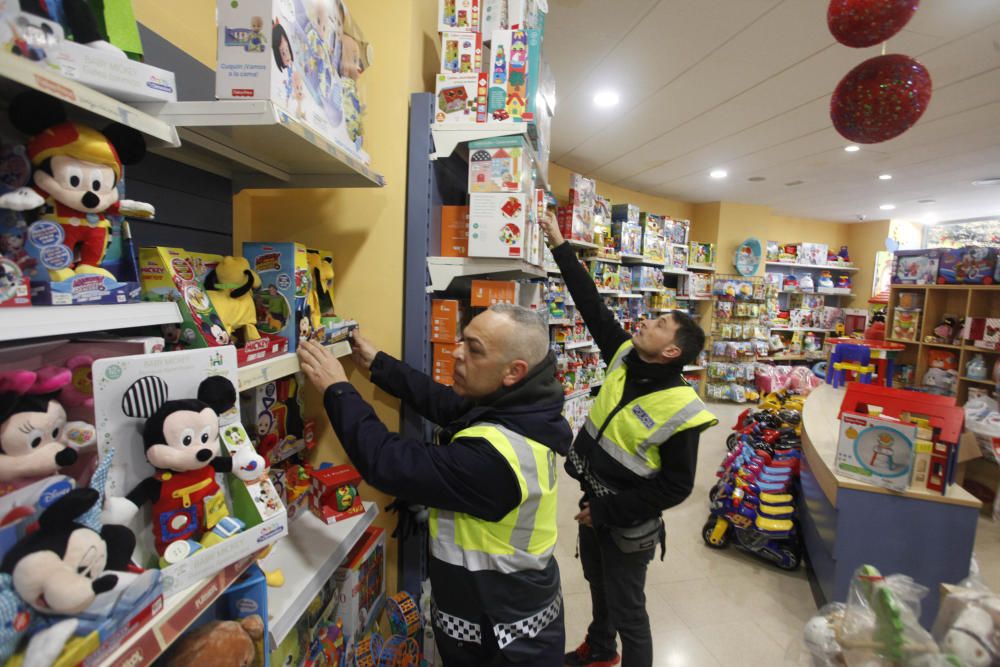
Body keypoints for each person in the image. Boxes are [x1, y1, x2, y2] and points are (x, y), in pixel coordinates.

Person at [297, 304, 572, 666]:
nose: (456, 352)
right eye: (461, 339)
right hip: (499, 615)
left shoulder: (494, 460)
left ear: (513, 371)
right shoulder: (520, 409)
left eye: (474, 349)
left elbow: (387, 463)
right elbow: (444, 403)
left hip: (506, 642)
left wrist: (337, 388)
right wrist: (378, 363)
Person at [538, 212, 718, 667]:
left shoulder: (682, 408)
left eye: (660, 324)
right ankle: (601, 651)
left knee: (629, 611)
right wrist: (560, 244)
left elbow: (676, 486)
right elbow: (591, 305)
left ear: (672, 351)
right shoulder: (623, 356)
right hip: (593, 504)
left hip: (626, 522)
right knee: (599, 587)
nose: (647, 323)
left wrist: (605, 511)